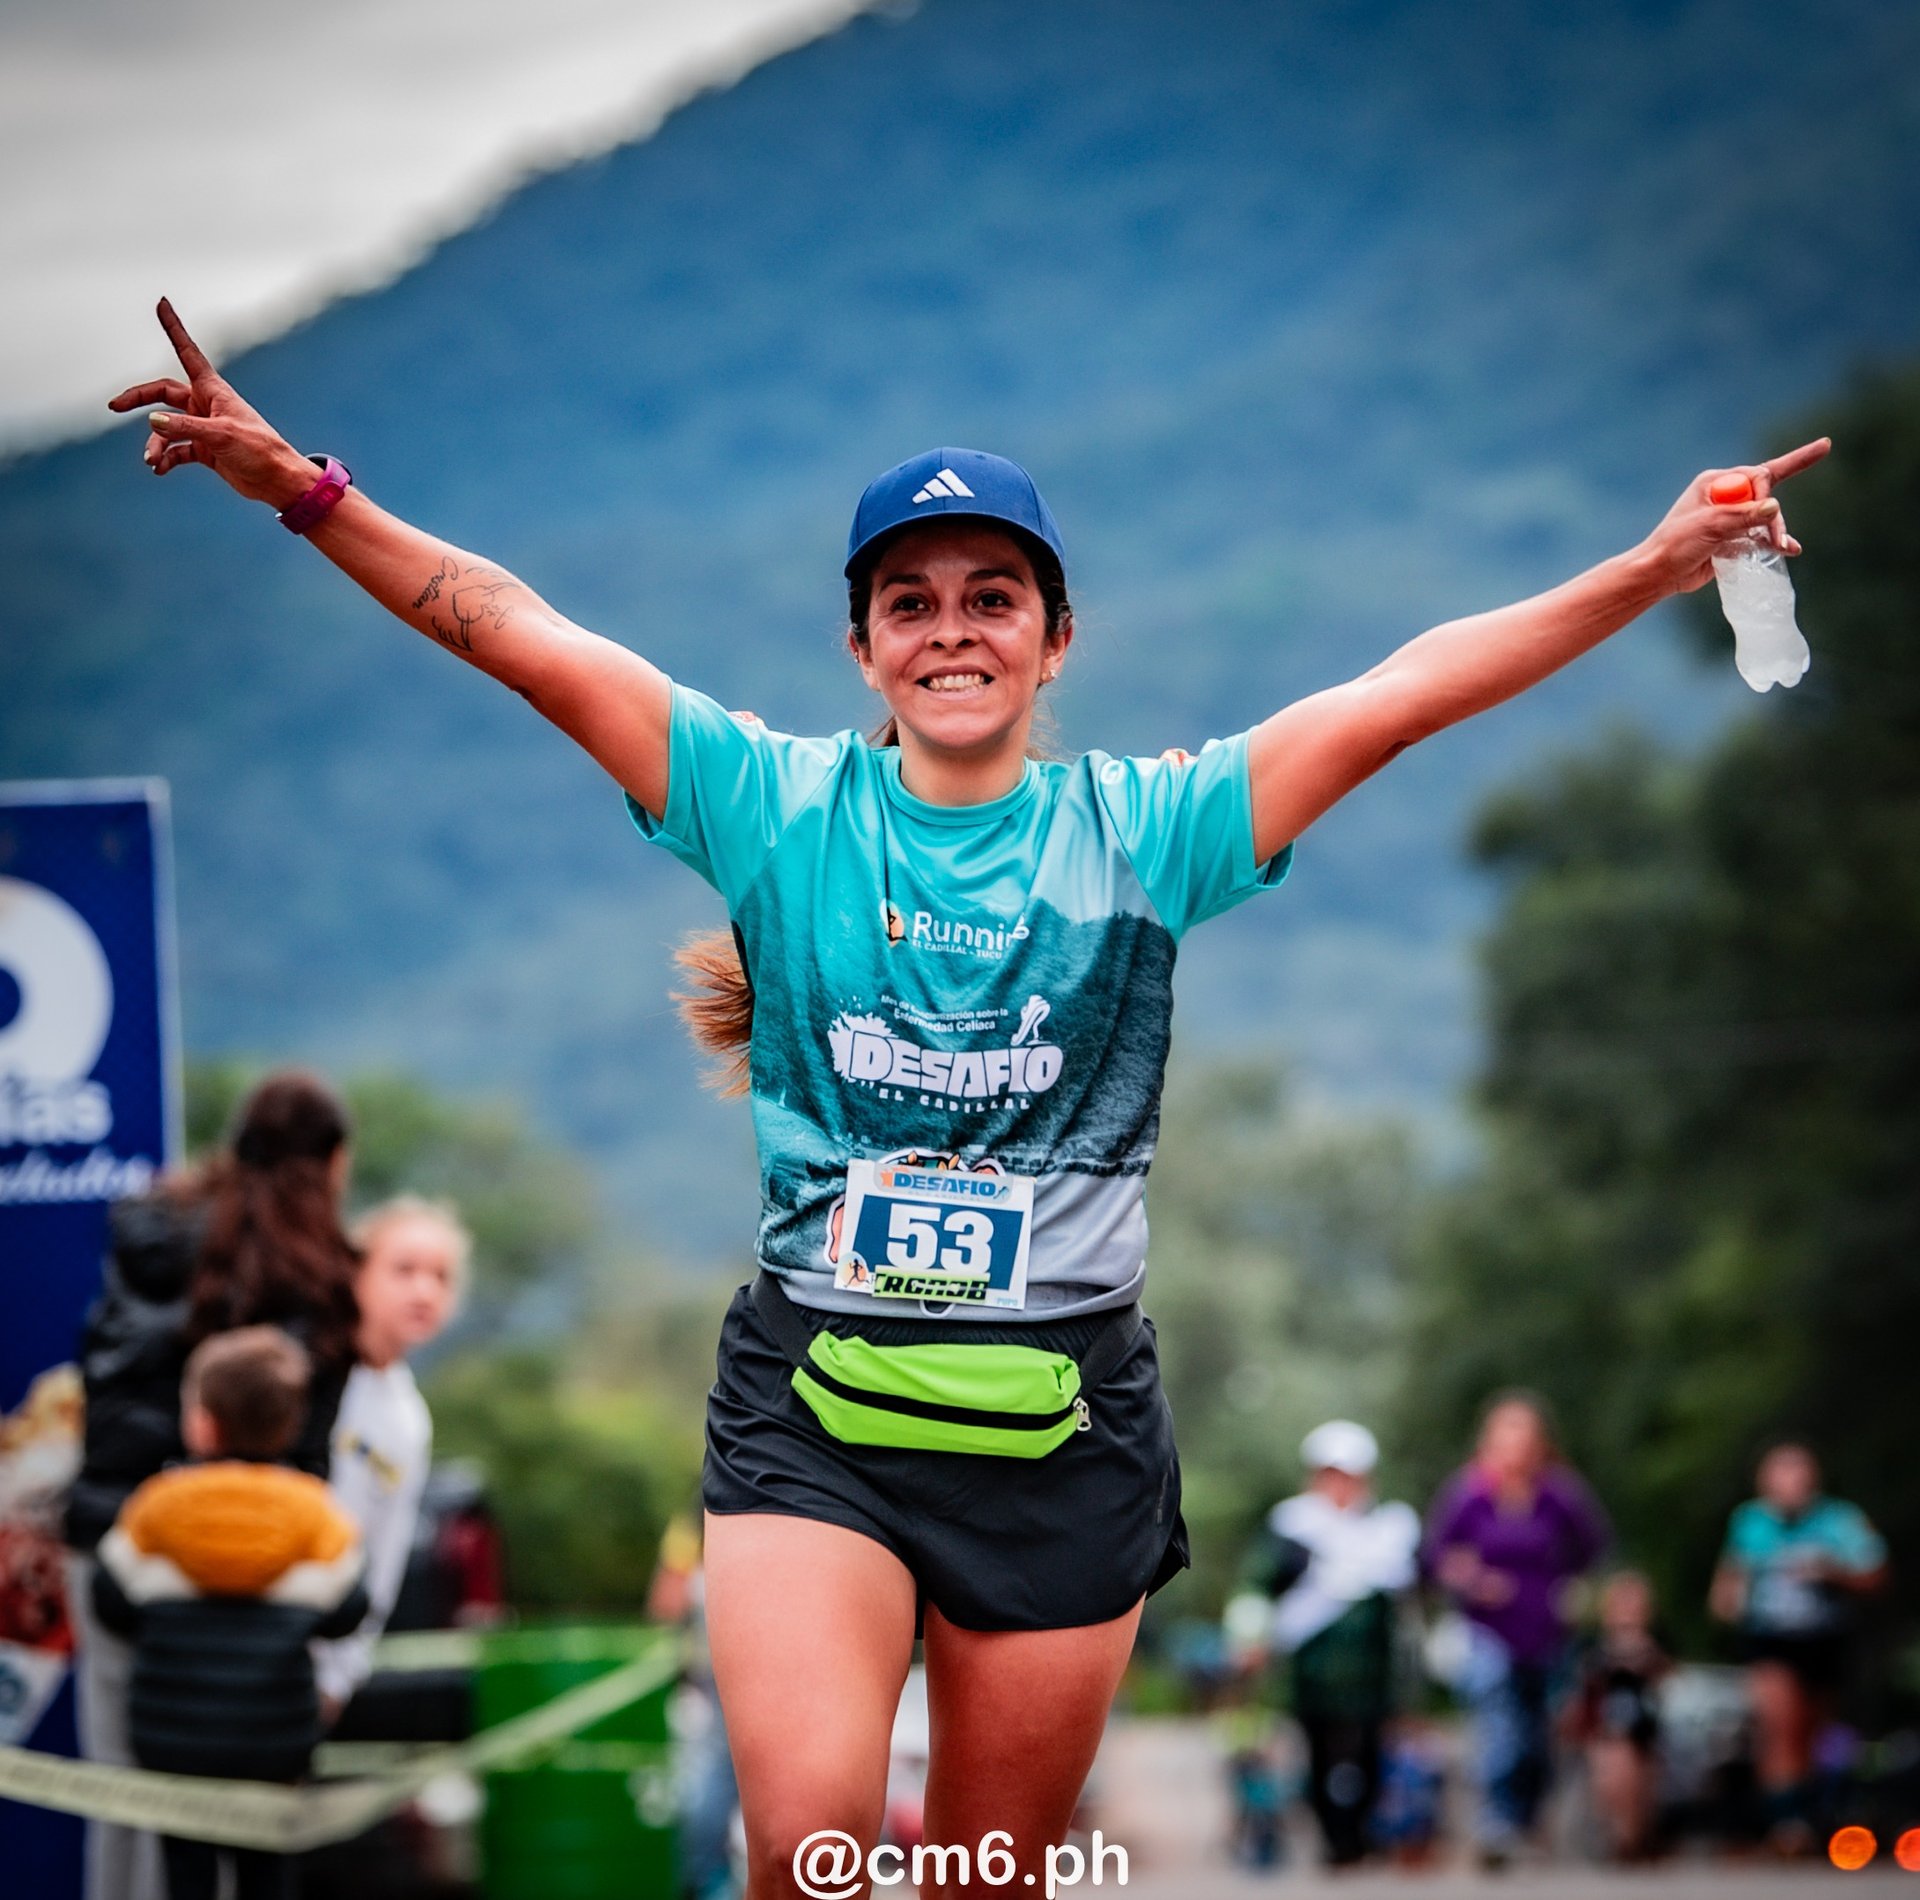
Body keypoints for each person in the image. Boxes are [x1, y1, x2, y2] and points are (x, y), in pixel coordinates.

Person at [109, 296, 1825, 1898]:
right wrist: (304, 490)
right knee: (807, 1861)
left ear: (1054, 637)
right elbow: (520, 634)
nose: (951, 631)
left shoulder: (1154, 829)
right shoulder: (767, 804)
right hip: (819, 1408)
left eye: (989, 596)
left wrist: (1656, 564)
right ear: (862, 646)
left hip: (1062, 1424)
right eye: (911, 602)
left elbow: (1402, 695)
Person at [62, 1069, 361, 1900]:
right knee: (252, 1814)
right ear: (332, 1162)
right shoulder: (317, 1269)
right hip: (260, 1568)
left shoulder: (149, 1229)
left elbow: (104, 1387)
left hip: (126, 1543)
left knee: (124, 1792)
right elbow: (312, 1446)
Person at [91, 1327, 370, 1900]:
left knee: (186, 1878)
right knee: (268, 1876)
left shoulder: (157, 1506)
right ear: (290, 1424)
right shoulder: (314, 1512)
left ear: (203, 1421)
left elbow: (109, 1603)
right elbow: (348, 1612)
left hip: (173, 1744)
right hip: (275, 1742)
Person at [1424, 1392, 1610, 1867]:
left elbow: (1594, 1545)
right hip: (1485, 1628)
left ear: (1539, 1443)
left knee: (1538, 1734)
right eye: (1505, 1435)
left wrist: (1577, 1589)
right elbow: (1434, 1558)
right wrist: (1467, 1577)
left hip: (1546, 1630)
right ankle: (1496, 1825)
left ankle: (1528, 1821)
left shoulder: (1559, 1492)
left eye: (1523, 1436)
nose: (1515, 1447)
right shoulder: (1468, 1493)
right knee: (1497, 1724)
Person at [314, 1195, 467, 1723]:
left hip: (320, 1659)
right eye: (403, 1270)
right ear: (357, 1271)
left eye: (441, 1276)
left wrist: (340, 1674)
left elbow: (383, 1555)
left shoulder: (407, 1417)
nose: (424, 1290)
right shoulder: (310, 1372)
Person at [1240, 1420, 1419, 1866]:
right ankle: (1334, 1838)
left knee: (1370, 1752)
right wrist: (1250, 1637)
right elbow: (1258, 1587)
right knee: (1318, 1752)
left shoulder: (1389, 1530)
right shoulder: (1291, 1529)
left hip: (1372, 1670)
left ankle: (1362, 1832)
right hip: (1312, 1670)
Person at [1709, 1441, 1888, 1855]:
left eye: (1798, 1475)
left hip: (1824, 1638)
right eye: (1781, 1475)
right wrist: (1728, 1600)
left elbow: (1876, 1575)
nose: (1790, 1484)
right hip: (1769, 1638)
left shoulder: (1840, 1521)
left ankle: (1803, 1813)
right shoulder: (1750, 1521)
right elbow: (1731, 1576)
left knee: (1812, 1732)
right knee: (1779, 1724)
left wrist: (1833, 1573)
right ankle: (1787, 1824)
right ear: (1765, 1482)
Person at [1565, 1569, 1671, 1862]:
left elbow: (1669, 1677)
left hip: (1643, 1727)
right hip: (1605, 1727)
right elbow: (1581, 1688)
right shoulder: (1593, 1647)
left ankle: (1637, 1837)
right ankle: (1618, 1837)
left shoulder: (1655, 1644)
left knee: (1641, 1789)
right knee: (1610, 1782)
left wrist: (1647, 1659)